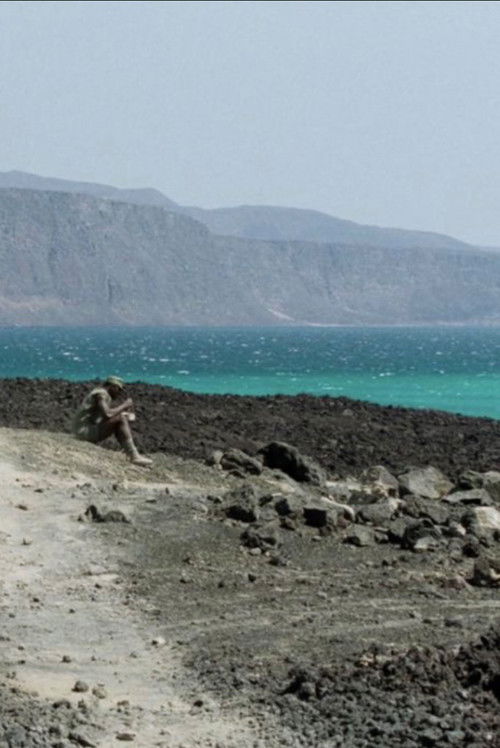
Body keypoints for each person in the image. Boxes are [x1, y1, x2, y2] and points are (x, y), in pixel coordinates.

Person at [72, 376, 152, 466]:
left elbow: (104, 416)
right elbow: (108, 414)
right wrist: (124, 405)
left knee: (120, 418)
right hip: (83, 431)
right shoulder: (101, 394)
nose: (119, 393)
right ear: (113, 387)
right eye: (119, 390)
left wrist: (123, 414)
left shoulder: (102, 393)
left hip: (84, 429)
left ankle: (132, 453)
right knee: (120, 418)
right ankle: (133, 455)